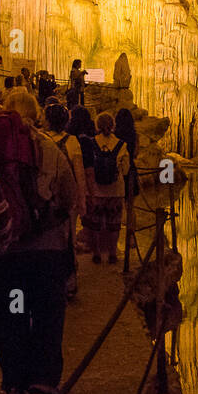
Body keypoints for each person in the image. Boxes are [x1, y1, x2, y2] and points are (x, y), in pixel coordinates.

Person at [0, 90, 76, 394]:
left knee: (11, 315)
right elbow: (68, 194)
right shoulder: (49, 147)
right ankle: (44, 379)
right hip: (45, 250)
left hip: (5, 253)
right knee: (48, 311)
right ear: (36, 114)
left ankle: (14, 386)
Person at [44, 102, 87, 296]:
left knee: (48, 239)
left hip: (46, 197)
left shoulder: (41, 139)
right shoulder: (71, 142)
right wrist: (82, 199)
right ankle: (69, 282)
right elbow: (79, 173)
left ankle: (49, 281)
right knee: (68, 239)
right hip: (67, 198)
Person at [78, 111, 129, 265]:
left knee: (94, 224)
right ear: (113, 126)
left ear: (97, 126)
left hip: (95, 191)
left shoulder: (91, 143)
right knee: (114, 224)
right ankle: (113, 253)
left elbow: (87, 167)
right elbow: (126, 170)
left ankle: (97, 253)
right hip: (115, 191)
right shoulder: (121, 144)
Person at [113, 107, 140, 261]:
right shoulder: (134, 135)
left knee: (116, 207)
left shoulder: (115, 135)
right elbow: (135, 153)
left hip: (118, 173)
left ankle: (114, 241)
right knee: (131, 207)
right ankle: (131, 239)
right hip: (131, 171)